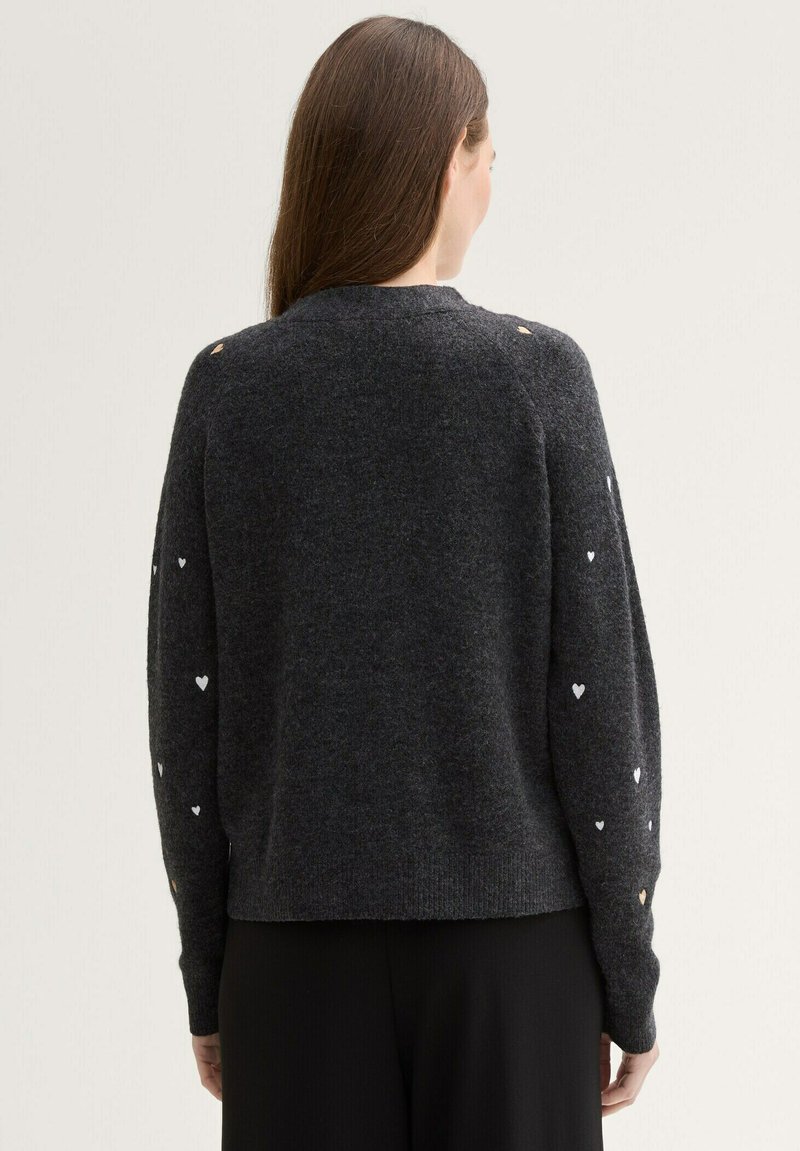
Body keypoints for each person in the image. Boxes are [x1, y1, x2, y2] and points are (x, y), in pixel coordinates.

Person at [146, 14, 662, 1149]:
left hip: (289, 963)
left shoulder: (230, 388)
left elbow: (187, 714)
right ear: (445, 166)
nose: (491, 187)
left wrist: (209, 971)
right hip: (516, 963)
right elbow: (600, 707)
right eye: (489, 158)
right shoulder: (537, 376)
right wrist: (628, 973)